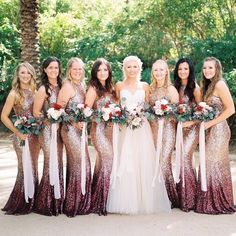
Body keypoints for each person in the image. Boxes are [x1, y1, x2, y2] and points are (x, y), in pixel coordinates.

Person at [107, 56, 171, 214]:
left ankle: (144, 200)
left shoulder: (145, 85)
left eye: (135, 66)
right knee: (126, 160)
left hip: (142, 128)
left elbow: (148, 105)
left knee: (142, 160)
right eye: (129, 67)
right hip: (124, 128)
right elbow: (115, 105)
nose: (132, 70)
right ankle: (126, 201)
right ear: (124, 68)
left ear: (139, 68)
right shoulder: (119, 85)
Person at [195, 57, 235, 214]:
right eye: (205, 68)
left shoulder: (220, 84)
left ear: (217, 69)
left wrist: (210, 124)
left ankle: (217, 203)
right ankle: (210, 201)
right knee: (209, 163)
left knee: (214, 164)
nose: (207, 71)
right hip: (211, 129)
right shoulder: (209, 85)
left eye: (210, 68)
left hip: (219, 130)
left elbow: (231, 109)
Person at [1, 62, 40, 215]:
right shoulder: (14, 93)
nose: (25, 75)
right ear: (18, 75)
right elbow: (4, 116)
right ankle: (20, 202)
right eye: (22, 73)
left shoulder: (35, 90)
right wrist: (17, 132)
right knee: (24, 168)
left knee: (34, 166)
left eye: (28, 73)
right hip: (22, 136)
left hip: (35, 136)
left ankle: (33, 200)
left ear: (32, 75)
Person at [57, 57, 91, 217]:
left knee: (79, 163)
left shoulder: (81, 85)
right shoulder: (68, 86)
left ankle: (78, 201)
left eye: (80, 69)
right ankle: (74, 204)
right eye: (75, 69)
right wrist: (74, 121)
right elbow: (59, 110)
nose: (78, 71)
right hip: (70, 130)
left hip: (80, 130)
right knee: (80, 163)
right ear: (69, 70)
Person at [33, 57, 64, 216]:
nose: (53, 70)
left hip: (60, 132)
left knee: (58, 161)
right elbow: (36, 113)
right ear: (45, 70)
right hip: (47, 131)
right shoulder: (43, 89)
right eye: (50, 68)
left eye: (56, 67)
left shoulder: (62, 86)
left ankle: (57, 202)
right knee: (49, 161)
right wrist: (50, 119)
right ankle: (45, 203)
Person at [85, 58, 116, 215]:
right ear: (95, 72)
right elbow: (86, 112)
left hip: (111, 131)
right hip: (98, 131)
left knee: (102, 163)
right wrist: (102, 115)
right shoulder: (93, 89)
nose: (102, 73)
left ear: (109, 71)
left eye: (105, 70)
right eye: (99, 70)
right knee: (108, 158)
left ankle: (98, 198)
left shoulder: (111, 87)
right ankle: (101, 202)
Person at [149, 59, 179, 208]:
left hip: (167, 130)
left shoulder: (171, 89)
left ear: (166, 71)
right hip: (153, 130)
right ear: (152, 72)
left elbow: (177, 112)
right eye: (156, 70)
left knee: (165, 161)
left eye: (161, 70)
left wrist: (165, 113)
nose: (159, 73)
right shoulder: (150, 89)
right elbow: (147, 110)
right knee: (155, 161)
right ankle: (157, 196)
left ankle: (170, 197)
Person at [174, 58, 201, 211]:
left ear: (190, 70)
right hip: (178, 130)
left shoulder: (195, 88)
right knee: (180, 159)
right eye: (180, 69)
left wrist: (189, 123)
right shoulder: (175, 87)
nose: (183, 72)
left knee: (185, 157)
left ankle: (190, 199)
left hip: (191, 129)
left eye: (186, 69)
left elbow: (201, 111)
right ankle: (181, 197)